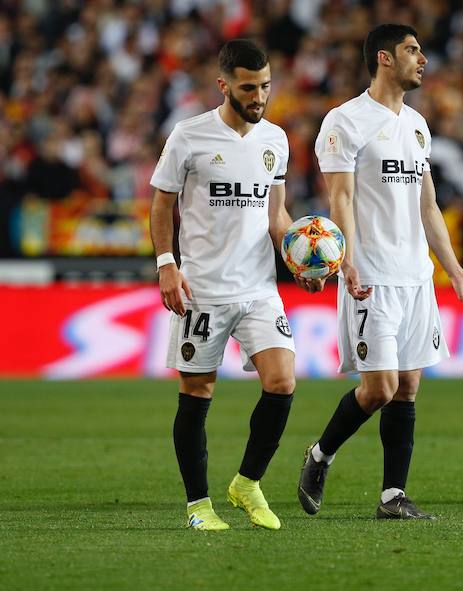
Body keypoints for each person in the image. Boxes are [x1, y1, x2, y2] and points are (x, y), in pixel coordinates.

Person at [298, 24, 463, 520]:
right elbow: (341, 197)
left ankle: (392, 496)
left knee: (407, 388)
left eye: (422, 49)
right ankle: (320, 455)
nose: (422, 58)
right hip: (371, 275)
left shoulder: (419, 126)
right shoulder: (345, 122)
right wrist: (348, 263)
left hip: (417, 277)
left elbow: (428, 207)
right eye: (412, 50)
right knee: (378, 388)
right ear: (384, 58)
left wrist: (456, 271)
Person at [150, 39, 318, 531]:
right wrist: (166, 263)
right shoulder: (188, 136)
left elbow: (277, 215)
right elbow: (162, 203)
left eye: (266, 85)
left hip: (259, 288)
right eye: (249, 87)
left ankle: (247, 482)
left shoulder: (276, 140)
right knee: (198, 392)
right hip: (201, 289)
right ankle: (198, 506)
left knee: (282, 381)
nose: (259, 95)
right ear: (224, 85)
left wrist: (300, 260)